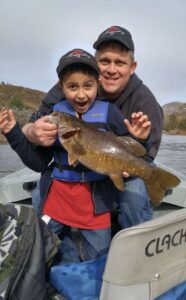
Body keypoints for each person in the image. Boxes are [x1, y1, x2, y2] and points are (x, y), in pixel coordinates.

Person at [0, 48, 151, 263]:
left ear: (98, 84)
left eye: (88, 86)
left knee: (100, 261)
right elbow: (37, 163)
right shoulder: (55, 115)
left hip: (96, 205)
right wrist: (14, 133)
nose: (81, 94)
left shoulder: (110, 112)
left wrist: (139, 139)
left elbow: (128, 147)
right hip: (58, 201)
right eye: (72, 86)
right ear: (61, 87)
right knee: (44, 252)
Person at [22, 25, 164, 228]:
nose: (111, 70)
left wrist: (122, 166)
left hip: (119, 167)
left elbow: (146, 156)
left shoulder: (146, 102)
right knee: (39, 193)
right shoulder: (70, 86)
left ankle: (135, 247)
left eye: (120, 63)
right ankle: (52, 247)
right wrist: (31, 132)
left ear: (132, 67)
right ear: (95, 65)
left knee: (136, 195)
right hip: (78, 171)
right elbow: (32, 123)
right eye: (105, 61)